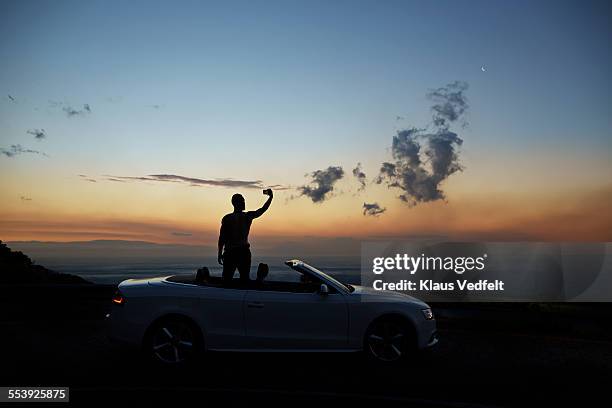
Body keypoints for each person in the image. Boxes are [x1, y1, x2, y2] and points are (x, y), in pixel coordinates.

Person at [218, 189, 273, 283]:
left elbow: (222, 238)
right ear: (236, 203)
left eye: (244, 201)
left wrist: (220, 253)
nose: (244, 203)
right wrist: (271, 197)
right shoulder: (244, 216)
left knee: (232, 279)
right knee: (235, 279)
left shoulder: (230, 218)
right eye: (242, 201)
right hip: (238, 252)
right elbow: (222, 237)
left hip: (236, 252)